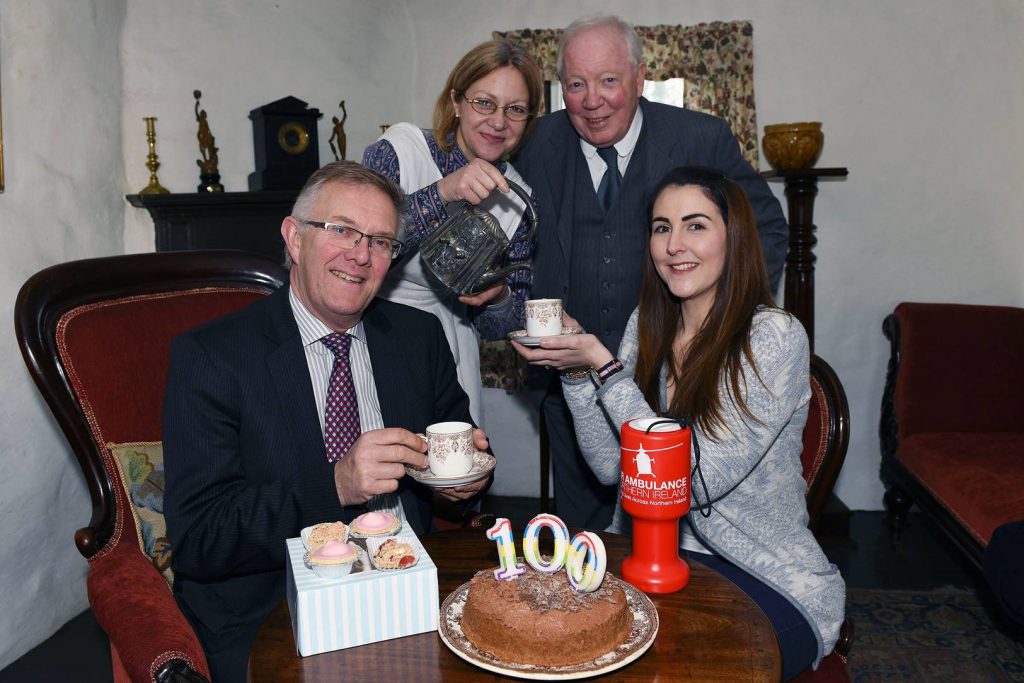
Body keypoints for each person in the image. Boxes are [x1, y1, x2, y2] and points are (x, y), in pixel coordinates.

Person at [162, 161, 491, 683]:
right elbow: (202, 537)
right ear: (294, 239)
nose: (360, 255)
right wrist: (336, 484)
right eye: (341, 230)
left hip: (405, 594)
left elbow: (455, 452)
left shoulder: (418, 336)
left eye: (381, 241)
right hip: (272, 610)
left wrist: (462, 483)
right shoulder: (212, 356)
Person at [513, 166, 844, 678]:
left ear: (733, 237)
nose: (674, 245)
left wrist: (606, 368)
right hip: (646, 560)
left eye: (695, 225)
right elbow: (610, 469)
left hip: (767, 579)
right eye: (661, 228)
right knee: (549, 649)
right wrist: (578, 377)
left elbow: (685, 482)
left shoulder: (774, 338)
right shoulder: (645, 326)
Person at [512, 15, 790, 530]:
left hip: (677, 378)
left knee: (674, 517)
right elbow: (507, 244)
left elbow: (766, 232)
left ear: (640, 78)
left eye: (609, 81)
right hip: (569, 384)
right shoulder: (533, 144)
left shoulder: (700, 137)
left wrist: (717, 321)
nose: (592, 100)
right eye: (575, 84)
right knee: (584, 535)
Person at [363, 38, 542, 427]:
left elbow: (503, 327)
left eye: (515, 110)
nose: (498, 121)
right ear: (457, 101)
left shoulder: (520, 199)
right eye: (484, 102)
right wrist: (445, 191)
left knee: (455, 471)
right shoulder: (401, 149)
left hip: (451, 346)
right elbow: (363, 244)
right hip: (373, 333)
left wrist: (498, 296)